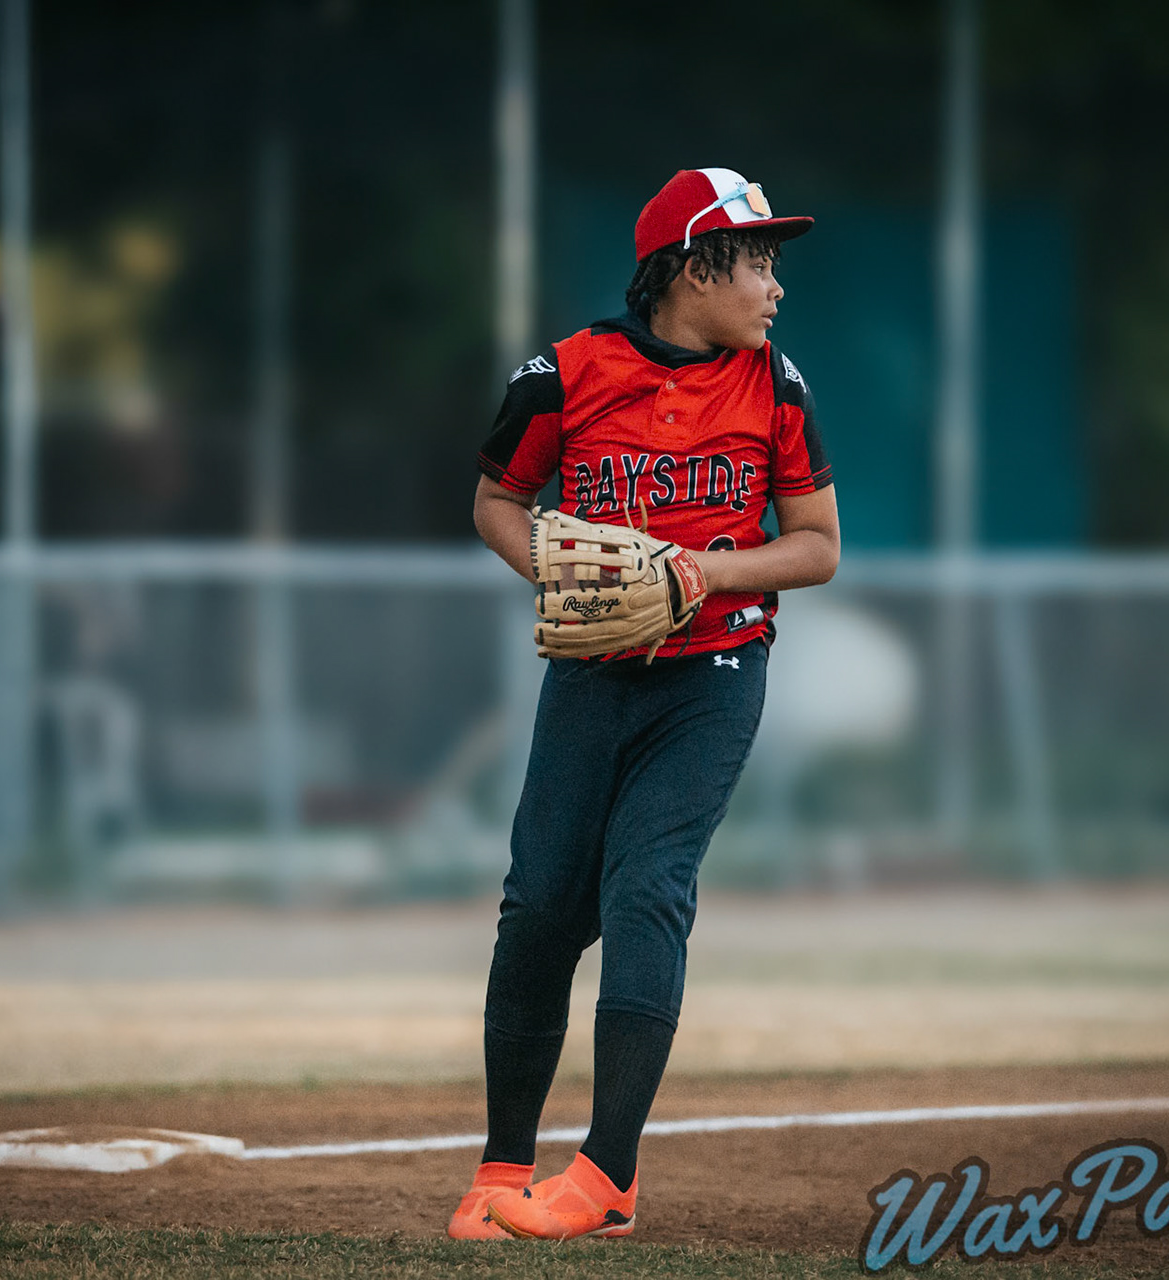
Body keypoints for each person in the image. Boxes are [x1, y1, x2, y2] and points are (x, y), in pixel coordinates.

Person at [446, 167, 841, 1242]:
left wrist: (710, 574)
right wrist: (562, 574)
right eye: (756, 260)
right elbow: (496, 499)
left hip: (712, 676)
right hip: (591, 673)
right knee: (539, 908)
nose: (773, 286)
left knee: (646, 888)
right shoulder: (565, 374)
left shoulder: (777, 385)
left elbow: (817, 547)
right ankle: (499, 1170)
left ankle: (607, 1174)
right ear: (692, 267)